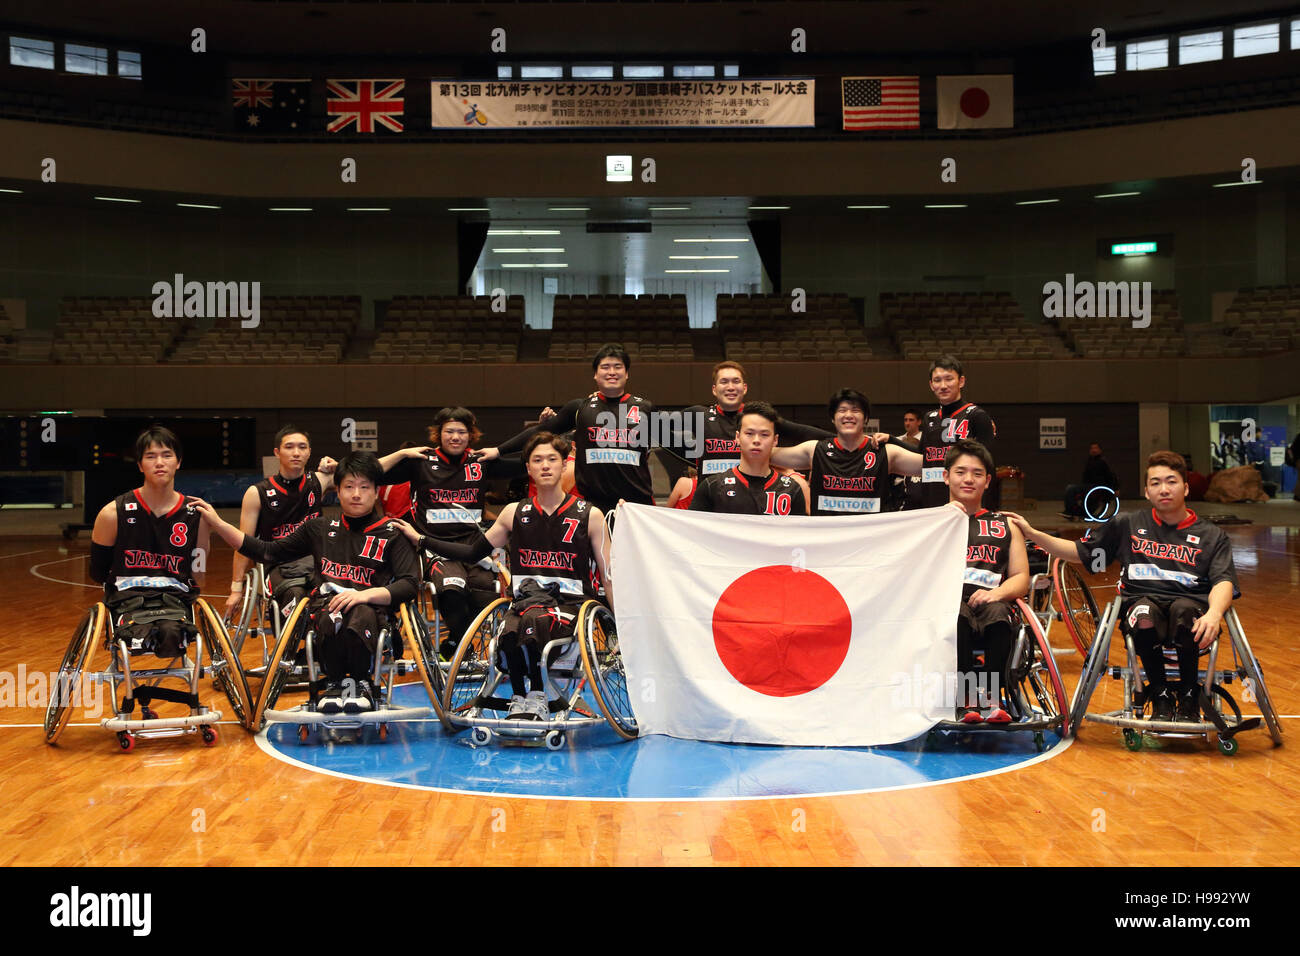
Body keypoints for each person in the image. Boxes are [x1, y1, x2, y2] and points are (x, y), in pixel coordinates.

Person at [1005, 450, 1239, 723]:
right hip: (1142, 602)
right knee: (1143, 615)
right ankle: (1160, 695)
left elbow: (1224, 581)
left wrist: (1214, 614)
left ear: (1186, 487)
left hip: (1190, 607)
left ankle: (1189, 695)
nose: (1164, 489)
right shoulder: (1127, 524)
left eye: (1171, 481)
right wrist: (1034, 534)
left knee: (1185, 612)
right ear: (1147, 491)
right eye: (1155, 483)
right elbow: (1081, 553)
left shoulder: (1212, 535)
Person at [392, 432, 612, 721]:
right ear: (528, 469)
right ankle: (521, 697)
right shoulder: (513, 513)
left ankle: (537, 695)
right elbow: (471, 552)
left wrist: (615, 627)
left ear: (564, 466)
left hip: (569, 605)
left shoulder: (591, 515)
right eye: (537, 460)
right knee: (508, 631)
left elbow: (610, 578)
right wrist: (421, 539)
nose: (545, 465)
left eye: (552, 459)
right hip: (525, 603)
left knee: (535, 620)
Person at [194, 453, 420, 714]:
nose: (356, 494)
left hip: (373, 612)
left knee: (358, 612)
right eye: (348, 486)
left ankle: (361, 683)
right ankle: (335, 683)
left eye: (364, 487)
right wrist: (220, 524)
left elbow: (409, 584)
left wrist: (364, 596)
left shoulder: (393, 532)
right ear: (337, 491)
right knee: (329, 613)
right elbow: (267, 551)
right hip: (327, 611)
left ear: (376, 491)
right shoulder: (319, 528)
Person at [378, 407, 524, 657]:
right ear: (438, 434)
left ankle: (454, 645)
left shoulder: (481, 462)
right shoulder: (421, 462)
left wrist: (500, 451)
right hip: (435, 547)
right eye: (449, 431)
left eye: (461, 432)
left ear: (471, 435)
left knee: (486, 594)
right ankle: (459, 649)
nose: (455, 437)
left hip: (474, 548)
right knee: (452, 590)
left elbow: (527, 463)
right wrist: (402, 453)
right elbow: (371, 472)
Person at [89, 426, 214, 664]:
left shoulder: (197, 514)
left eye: (167, 455)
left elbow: (199, 575)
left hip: (175, 602)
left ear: (178, 462)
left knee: (171, 633)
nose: (159, 462)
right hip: (129, 601)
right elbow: (98, 572)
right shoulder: (112, 513)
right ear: (139, 465)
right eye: (150, 456)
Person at [480, 344, 655, 514]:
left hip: (637, 507)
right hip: (593, 508)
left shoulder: (645, 409)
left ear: (627, 373)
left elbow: (674, 444)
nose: (611, 372)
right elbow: (540, 431)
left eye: (618, 367)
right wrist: (498, 450)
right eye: (605, 367)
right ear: (595, 374)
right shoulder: (580, 408)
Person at [944, 439, 1029, 723]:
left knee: (999, 616)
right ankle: (965, 697)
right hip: (946, 604)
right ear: (946, 476)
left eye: (977, 473)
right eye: (960, 472)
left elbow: (1020, 578)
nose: (969, 479)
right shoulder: (930, 523)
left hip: (992, 600)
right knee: (954, 615)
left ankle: (991, 697)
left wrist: (996, 594)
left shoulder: (1006, 524)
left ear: (988, 481)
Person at [224, 426, 337, 622]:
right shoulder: (256, 493)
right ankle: (289, 650)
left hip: (317, 563)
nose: (296, 453)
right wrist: (236, 588)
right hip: (279, 566)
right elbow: (243, 545)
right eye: (289, 447)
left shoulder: (319, 481)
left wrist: (339, 467)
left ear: (309, 452)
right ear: (277, 452)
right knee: (294, 596)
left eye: (302, 447)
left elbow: (366, 475)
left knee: (337, 596)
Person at [769, 388, 922, 515]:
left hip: (869, 544)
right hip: (827, 543)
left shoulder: (887, 453)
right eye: (842, 410)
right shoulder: (815, 450)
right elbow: (764, 454)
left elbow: (932, 464)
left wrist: (893, 439)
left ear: (866, 418)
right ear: (832, 418)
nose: (848, 415)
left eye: (855, 411)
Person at [676, 361, 830, 478]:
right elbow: (657, 425)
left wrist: (838, 441)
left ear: (745, 388)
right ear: (714, 389)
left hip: (750, 503)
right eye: (724, 382)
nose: (730, 387)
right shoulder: (698, 415)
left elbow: (801, 432)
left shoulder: (760, 418)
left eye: (736, 381)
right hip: (710, 505)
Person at [689, 402, 807, 516]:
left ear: (775, 440)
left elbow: (799, 535)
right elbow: (691, 531)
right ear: (737, 437)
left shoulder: (792, 490)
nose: (756, 440)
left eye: (764, 434)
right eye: (749, 433)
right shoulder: (712, 487)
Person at [917, 355, 997, 509]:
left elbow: (988, 466)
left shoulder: (976, 416)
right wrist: (891, 440)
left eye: (949, 379)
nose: (943, 385)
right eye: (937, 380)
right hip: (932, 502)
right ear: (931, 385)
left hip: (965, 505)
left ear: (961, 381)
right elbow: (922, 455)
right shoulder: (929, 418)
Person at [1063, 442, 1119, 518]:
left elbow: (1112, 476)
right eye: (1092, 448)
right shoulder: (1089, 462)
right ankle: (1073, 511)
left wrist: (1116, 488)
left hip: (1098, 487)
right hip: (1088, 486)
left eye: (1096, 448)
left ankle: (1071, 511)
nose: (1093, 450)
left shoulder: (1103, 462)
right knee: (1070, 490)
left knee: (1070, 488)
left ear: (1100, 450)